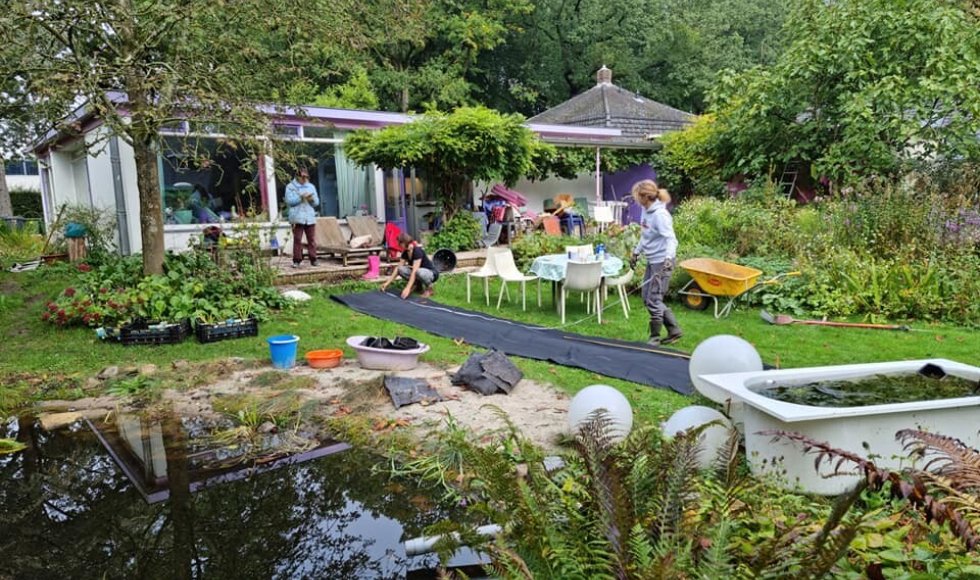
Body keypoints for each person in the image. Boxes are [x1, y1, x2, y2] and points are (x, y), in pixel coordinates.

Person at [630, 179, 683, 346]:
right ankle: (674, 330)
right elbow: (645, 235)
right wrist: (636, 252)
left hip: (662, 262)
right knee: (647, 297)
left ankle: (655, 337)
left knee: (653, 299)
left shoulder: (660, 215)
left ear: (645, 197)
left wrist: (668, 259)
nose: (636, 199)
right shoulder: (646, 211)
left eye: (637, 196)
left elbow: (671, 240)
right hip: (653, 260)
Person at [380, 233, 439, 299]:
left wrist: (407, 288)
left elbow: (414, 271)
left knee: (418, 272)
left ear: (404, 243)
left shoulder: (417, 251)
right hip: (418, 272)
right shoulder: (405, 252)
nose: (398, 245)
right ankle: (418, 286)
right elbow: (398, 268)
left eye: (399, 243)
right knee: (401, 269)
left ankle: (430, 289)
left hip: (431, 273)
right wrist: (387, 283)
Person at [285, 168, 319, 268]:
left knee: (311, 239)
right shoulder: (290, 187)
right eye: (302, 177)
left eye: (306, 177)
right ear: (297, 176)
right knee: (297, 239)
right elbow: (289, 201)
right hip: (297, 217)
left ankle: (314, 259)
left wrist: (311, 199)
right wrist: (301, 198)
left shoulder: (311, 186)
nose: (304, 179)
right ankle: (297, 260)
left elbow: (316, 203)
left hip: (309, 217)